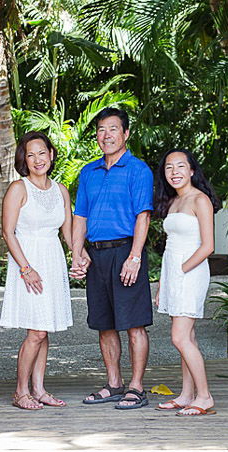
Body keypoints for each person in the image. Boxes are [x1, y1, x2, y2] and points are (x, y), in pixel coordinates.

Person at [70, 107, 154, 410]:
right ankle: (114, 383)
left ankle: (136, 387)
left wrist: (134, 258)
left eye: (113, 129)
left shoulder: (138, 170)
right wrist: (78, 253)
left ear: (126, 134)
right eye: (101, 129)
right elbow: (80, 216)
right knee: (104, 324)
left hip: (125, 251)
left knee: (134, 325)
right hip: (96, 255)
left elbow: (142, 217)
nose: (106, 135)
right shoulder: (88, 171)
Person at [0, 131, 82, 410]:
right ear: (24, 158)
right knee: (36, 332)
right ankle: (21, 391)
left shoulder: (60, 190)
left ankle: (39, 389)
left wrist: (79, 257)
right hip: (28, 261)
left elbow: (68, 231)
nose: (37, 159)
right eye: (30, 154)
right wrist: (26, 268)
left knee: (44, 329)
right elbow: (8, 233)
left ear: (51, 154)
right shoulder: (18, 188)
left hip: (52, 259)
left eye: (42, 153)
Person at [153, 148, 221, 416]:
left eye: (180, 166)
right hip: (174, 271)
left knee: (180, 338)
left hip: (190, 271)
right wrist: (163, 282)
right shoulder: (173, 202)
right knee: (188, 336)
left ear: (192, 170)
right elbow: (171, 245)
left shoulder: (199, 200)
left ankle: (204, 396)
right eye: (169, 168)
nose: (174, 172)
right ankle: (186, 394)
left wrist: (182, 269)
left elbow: (208, 246)